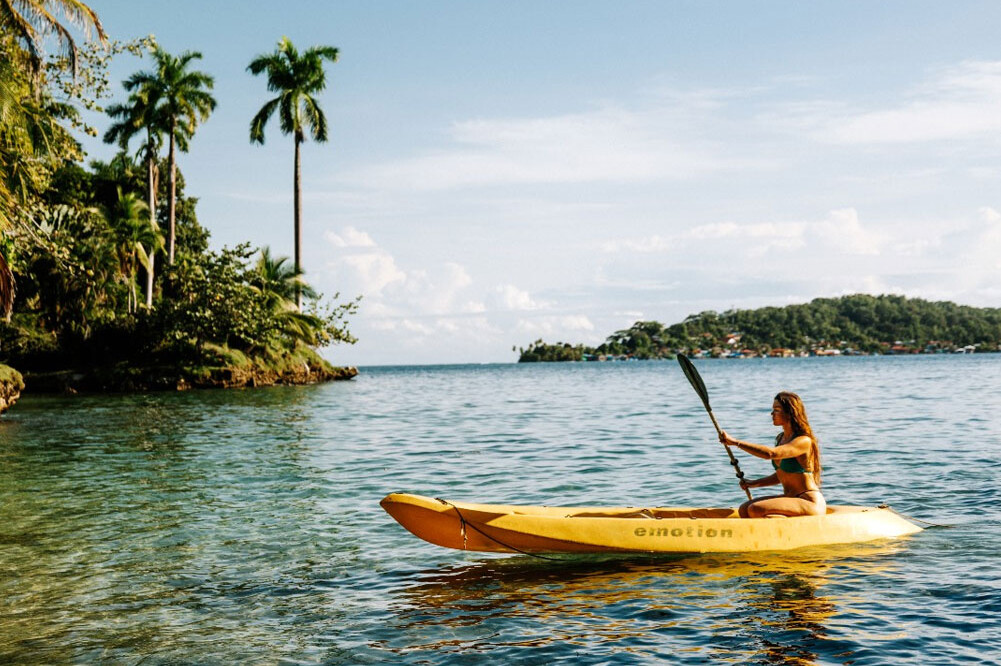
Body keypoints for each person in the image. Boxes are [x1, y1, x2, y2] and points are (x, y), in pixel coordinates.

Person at [718, 391, 825, 518]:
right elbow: (782, 474)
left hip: (808, 501)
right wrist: (754, 483)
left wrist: (736, 443)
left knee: (755, 509)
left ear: (790, 413)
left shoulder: (803, 441)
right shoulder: (781, 438)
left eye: (777, 410)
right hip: (790, 498)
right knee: (744, 509)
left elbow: (770, 454)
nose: (772, 413)